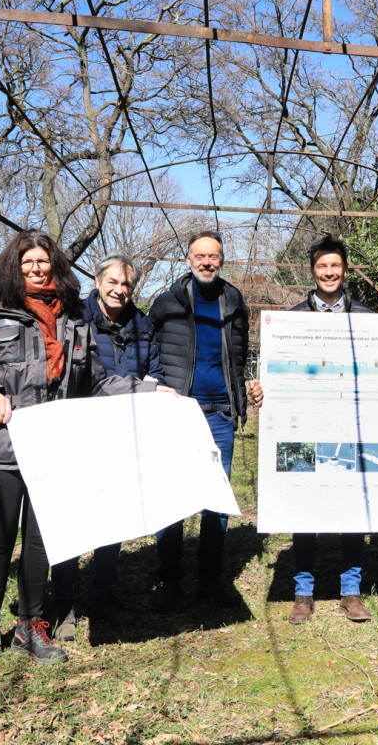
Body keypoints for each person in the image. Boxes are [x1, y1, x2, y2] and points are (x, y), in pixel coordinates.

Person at [0, 231, 163, 676]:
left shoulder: (74, 317)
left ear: (56, 266)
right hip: (2, 449)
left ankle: (31, 627)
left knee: (39, 545)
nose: (36, 268)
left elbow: (95, 381)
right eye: (27, 261)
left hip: (54, 450)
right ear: (14, 266)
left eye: (43, 261)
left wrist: (149, 390)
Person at [250, 234, 378, 624]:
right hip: (304, 429)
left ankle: (351, 591)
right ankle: (303, 593)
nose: (329, 272)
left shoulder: (367, 319)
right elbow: (278, 376)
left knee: (353, 507)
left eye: (335, 266)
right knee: (303, 507)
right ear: (312, 271)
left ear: (345, 270)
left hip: (352, 429)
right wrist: (262, 391)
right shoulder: (293, 319)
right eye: (322, 266)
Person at [48, 253, 165, 640]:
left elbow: (155, 371)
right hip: (78, 429)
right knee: (70, 516)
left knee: (113, 514)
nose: (119, 290)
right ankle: (62, 601)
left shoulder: (142, 325)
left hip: (124, 430)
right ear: (97, 281)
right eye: (112, 282)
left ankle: (104, 594)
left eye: (126, 284)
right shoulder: (74, 319)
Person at [148, 230, 249, 609]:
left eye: (213, 256)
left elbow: (238, 357)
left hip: (220, 414)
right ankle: (170, 581)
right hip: (178, 415)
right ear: (188, 259)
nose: (207, 262)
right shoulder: (167, 303)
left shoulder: (234, 302)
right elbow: (149, 351)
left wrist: (239, 399)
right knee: (171, 498)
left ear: (222, 260)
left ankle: (209, 580)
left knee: (216, 501)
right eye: (200, 256)